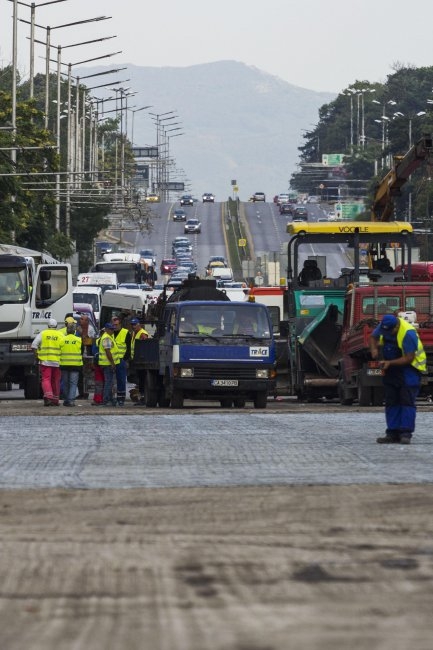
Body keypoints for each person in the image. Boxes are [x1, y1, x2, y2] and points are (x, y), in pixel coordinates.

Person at [369, 313, 427, 444]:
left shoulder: (408, 334)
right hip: (391, 371)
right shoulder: (385, 325)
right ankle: (392, 433)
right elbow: (373, 337)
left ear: (395, 327)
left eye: (389, 331)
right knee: (391, 401)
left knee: (406, 402)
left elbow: (409, 358)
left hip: (409, 370)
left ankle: (405, 433)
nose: (386, 333)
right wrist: (374, 350)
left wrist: (390, 363)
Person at [31, 318, 64, 406]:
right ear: (56, 326)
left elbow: (34, 345)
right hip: (57, 362)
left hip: (45, 361)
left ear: (48, 326)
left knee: (46, 379)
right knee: (56, 380)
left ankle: (49, 397)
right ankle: (55, 400)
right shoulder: (61, 335)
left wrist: (37, 356)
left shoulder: (43, 333)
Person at [60, 319, 83, 407]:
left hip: (64, 364)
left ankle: (66, 399)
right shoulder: (78, 340)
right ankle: (71, 400)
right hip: (75, 365)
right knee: (73, 383)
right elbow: (81, 351)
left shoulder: (62, 340)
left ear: (66, 330)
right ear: (74, 331)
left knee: (65, 383)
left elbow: (59, 351)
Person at [111, 315, 131, 406]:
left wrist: (126, 360)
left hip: (121, 360)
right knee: (110, 381)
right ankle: (112, 398)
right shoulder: (109, 332)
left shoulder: (125, 333)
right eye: (113, 324)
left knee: (121, 380)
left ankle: (121, 399)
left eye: (116, 324)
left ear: (120, 323)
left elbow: (129, 348)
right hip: (110, 360)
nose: (114, 326)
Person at [98, 322, 120, 407]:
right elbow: (108, 352)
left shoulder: (108, 337)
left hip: (106, 363)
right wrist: (113, 363)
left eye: (113, 329)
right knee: (108, 382)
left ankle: (109, 399)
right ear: (106, 329)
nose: (112, 331)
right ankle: (106, 400)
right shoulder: (106, 338)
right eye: (111, 329)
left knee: (109, 382)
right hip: (107, 364)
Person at [130, 317, 150, 405]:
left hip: (141, 361)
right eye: (132, 325)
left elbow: (145, 346)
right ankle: (142, 397)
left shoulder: (142, 334)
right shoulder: (134, 333)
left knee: (142, 379)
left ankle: (143, 398)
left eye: (135, 324)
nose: (133, 326)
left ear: (139, 325)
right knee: (139, 379)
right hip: (136, 360)